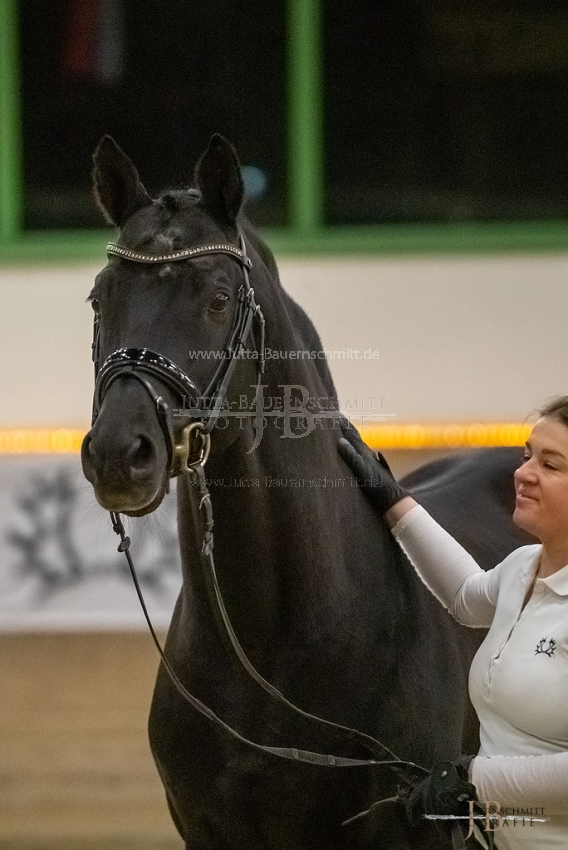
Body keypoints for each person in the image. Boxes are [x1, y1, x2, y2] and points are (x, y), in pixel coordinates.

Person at [338, 397, 568, 850]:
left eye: (551, 464)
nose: (522, 474)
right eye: (526, 457)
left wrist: (473, 780)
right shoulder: (523, 568)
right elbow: (465, 596)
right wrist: (393, 501)